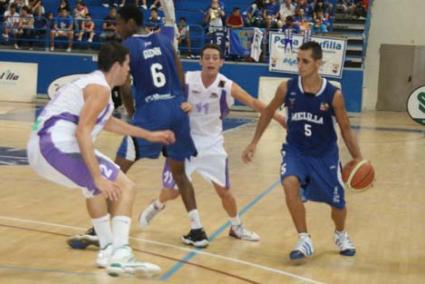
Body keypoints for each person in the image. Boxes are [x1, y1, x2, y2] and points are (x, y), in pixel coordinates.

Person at [27, 42, 175, 277]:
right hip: (54, 145)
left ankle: (107, 249)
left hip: (45, 146)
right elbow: (83, 131)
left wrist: (149, 134)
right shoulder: (99, 89)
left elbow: (107, 122)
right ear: (116, 65)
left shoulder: (97, 86)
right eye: (127, 65)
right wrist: (97, 176)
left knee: (94, 190)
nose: (129, 70)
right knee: (125, 186)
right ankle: (122, 254)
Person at [138, 43, 286, 247]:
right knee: (172, 192)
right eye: (206, 57)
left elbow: (253, 102)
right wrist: (179, 106)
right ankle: (157, 204)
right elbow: (167, 98)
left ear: (221, 62)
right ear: (200, 61)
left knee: (224, 191)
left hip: (212, 145)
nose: (210, 61)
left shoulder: (226, 85)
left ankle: (236, 227)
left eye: (215, 58)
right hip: (184, 141)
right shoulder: (187, 80)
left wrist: (278, 117)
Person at [242, 41, 360, 261]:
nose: (300, 65)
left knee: (338, 203)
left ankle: (341, 234)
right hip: (295, 151)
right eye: (298, 60)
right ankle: (304, 238)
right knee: (289, 184)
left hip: (325, 155)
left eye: (305, 61)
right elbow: (268, 112)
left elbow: (345, 128)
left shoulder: (333, 95)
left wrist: (358, 158)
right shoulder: (287, 88)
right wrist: (254, 142)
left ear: (318, 63)